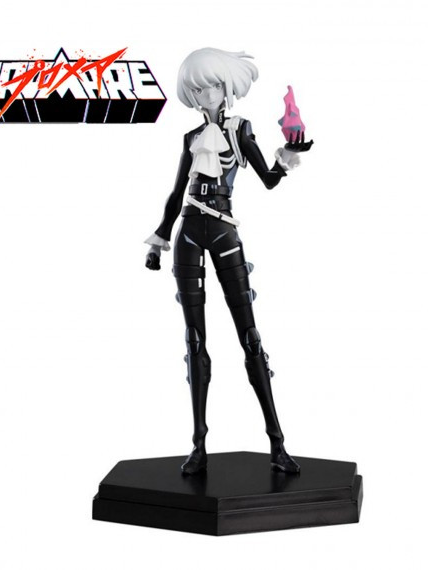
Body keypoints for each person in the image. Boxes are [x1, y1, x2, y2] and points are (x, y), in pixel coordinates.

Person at [145, 48, 303, 474]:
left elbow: (267, 179)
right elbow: (176, 193)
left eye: (213, 85)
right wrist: (158, 239)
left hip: (223, 227)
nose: (206, 94)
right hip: (188, 231)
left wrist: (288, 154)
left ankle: (277, 444)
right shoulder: (190, 138)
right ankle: (198, 445)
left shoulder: (239, 130)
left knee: (249, 336)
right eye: (198, 89)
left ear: (226, 87)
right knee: (194, 340)